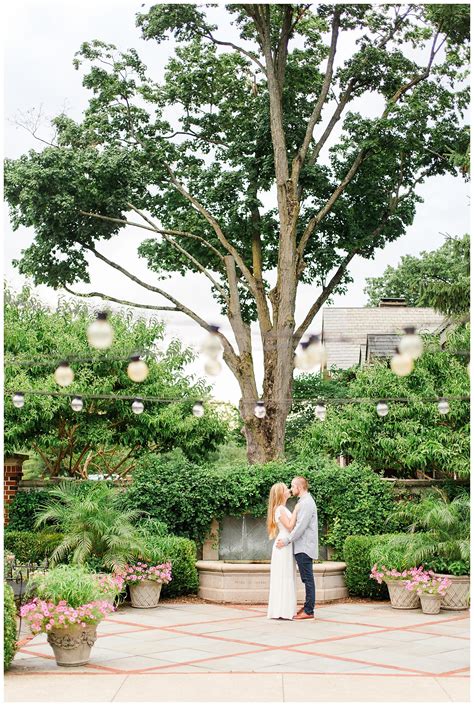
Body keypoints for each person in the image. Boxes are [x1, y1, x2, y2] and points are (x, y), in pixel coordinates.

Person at [276, 476, 318, 619]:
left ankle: (309, 610)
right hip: (302, 546)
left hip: (304, 547)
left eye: (293, 487)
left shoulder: (306, 503)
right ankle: (307, 607)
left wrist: (287, 541)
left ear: (299, 487)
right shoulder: (304, 502)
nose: (291, 489)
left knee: (308, 579)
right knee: (307, 579)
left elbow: (300, 528)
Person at [266, 482, 299, 620]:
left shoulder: (282, 508)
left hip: (286, 543)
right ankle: (282, 610)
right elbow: (290, 527)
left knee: (287, 575)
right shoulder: (279, 509)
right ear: (281, 493)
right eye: (286, 489)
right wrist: (297, 510)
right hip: (283, 544)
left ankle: (285, 609)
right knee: (283, 576)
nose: (289, 490)